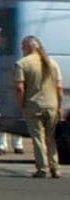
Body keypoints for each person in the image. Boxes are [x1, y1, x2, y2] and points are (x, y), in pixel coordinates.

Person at [15, 37, 64, 179]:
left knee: (38, 138)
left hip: (33, 105)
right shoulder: (52, 63)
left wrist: (21, 104)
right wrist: (59, 106)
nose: (22, 50)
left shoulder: (22, 64)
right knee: (51, 138)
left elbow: (19, 88)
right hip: (52, 105)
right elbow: (59, 89)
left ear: (27, 47)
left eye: (23, 47)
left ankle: (42, 168)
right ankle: (55, 167)